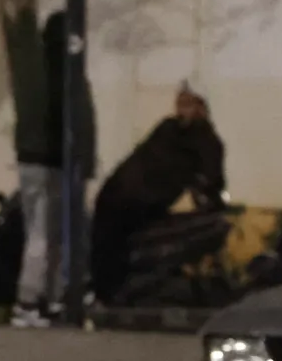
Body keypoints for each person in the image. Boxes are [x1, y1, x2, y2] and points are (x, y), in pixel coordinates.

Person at [90, 84, 227, 302]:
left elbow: (208, 181)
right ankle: (110, 292)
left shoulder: (191, 136)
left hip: (129, 202)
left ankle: (108, 292)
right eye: (181, 104)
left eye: (189, 104)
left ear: (201, 107)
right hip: (129, 202)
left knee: (111, 249)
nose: (183, 110)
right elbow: (208, 183)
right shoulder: (177, 132)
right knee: (112, 249)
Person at [9, 9, 95, 326]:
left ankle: (44, 298)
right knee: (47, 235)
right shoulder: (66, 73)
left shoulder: (35, 71)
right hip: (53, 162)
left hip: (33, 159)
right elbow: (74, 119)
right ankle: (31, 301)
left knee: (44, 233)